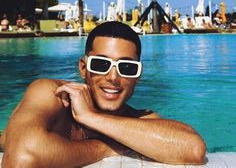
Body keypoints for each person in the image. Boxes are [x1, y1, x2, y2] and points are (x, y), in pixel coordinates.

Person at [2, 21, 206, 167]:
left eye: (126, 67)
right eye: (100, 64)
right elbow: (23, 156)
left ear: (138, 75)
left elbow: (194, 149)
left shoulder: (138, 120)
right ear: (83, 68)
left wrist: (91, 117)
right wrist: (104, 147)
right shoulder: (51, 94)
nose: (113, 77)